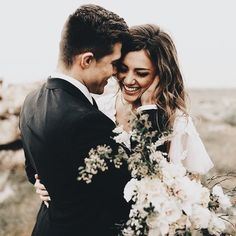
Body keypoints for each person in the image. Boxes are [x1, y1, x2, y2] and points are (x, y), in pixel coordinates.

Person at [34, 23, 214, 227]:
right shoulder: (101, 107)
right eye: (122, 69)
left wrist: (149, 109)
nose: (129, 80)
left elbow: (189, 194)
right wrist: (47, 182)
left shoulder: (177, 122)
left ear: (161, 75)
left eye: (142, 73)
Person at [19, 4, 133, 236]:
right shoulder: (87, 122)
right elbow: (125, 193)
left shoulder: (32, 101)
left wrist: (48, 184)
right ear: (87, 60)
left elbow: (33, 171)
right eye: (113, 64)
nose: (115, 73)